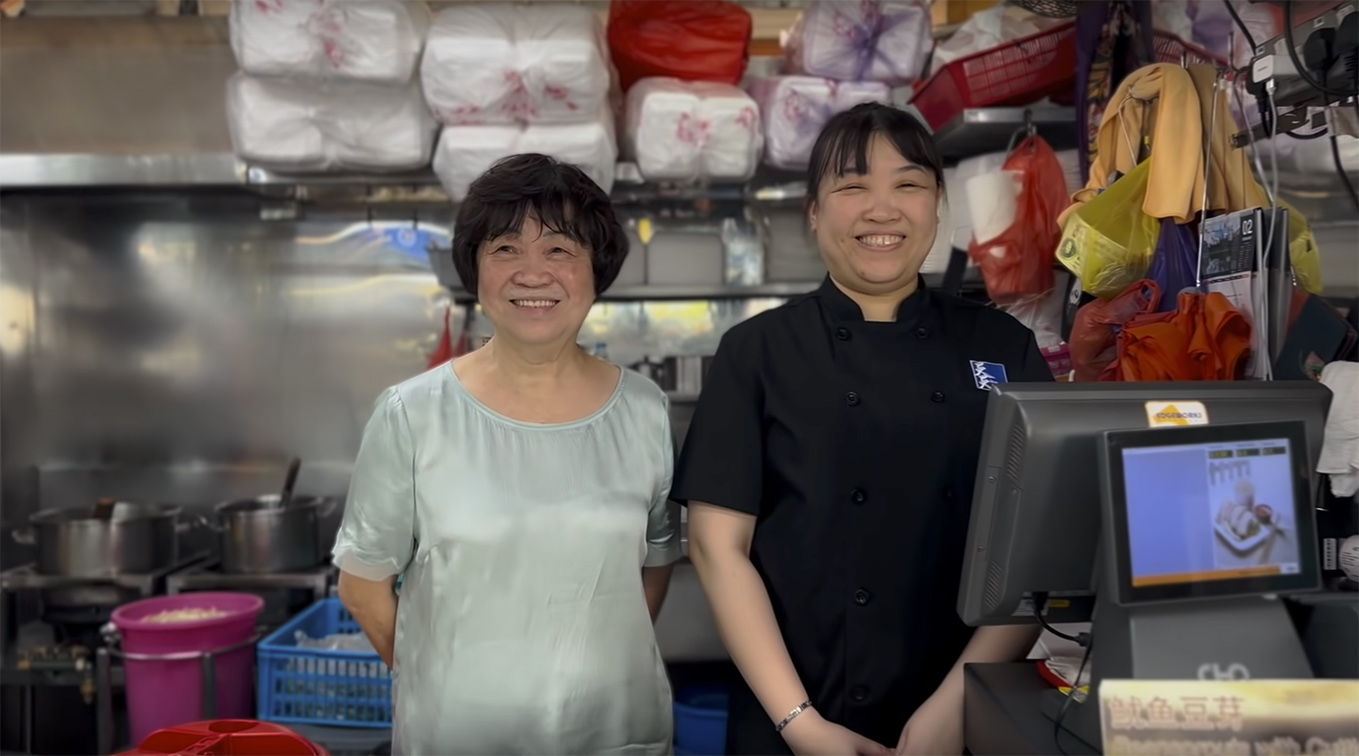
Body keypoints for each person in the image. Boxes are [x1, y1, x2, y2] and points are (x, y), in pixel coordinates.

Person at [672, 103, 1054, 756]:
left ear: (937, 207)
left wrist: (955, 704)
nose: (882, 210)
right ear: (814, 212)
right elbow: (716, 548)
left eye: (907, 185)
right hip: (790, 712)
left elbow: (1038, 544)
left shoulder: (1002, 345)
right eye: (852, 187)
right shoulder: (757, 352)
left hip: (966, 712)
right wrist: (801, 724)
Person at [333, 153, 683, 755]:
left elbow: (653, 565)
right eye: (505, 249)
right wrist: (445, 684)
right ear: (474, 267)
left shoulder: (645, 410)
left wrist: (581, 670)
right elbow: (363, 588)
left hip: (616, 731)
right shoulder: (411, 414)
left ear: (596, 269)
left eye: (559, 250)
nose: (532, 273)